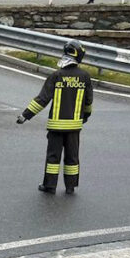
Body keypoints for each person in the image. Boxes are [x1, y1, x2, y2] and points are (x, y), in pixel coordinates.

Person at [16, 40, 93, 195]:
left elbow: (42, 99)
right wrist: (84, 117)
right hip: (74, 127)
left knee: (53, 157)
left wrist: (25, 115)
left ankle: (49, 186)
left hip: (56, 126)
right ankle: (70, 187)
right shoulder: (85, 77)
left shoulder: (56, 76)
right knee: (72, 157)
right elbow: (89, 102)